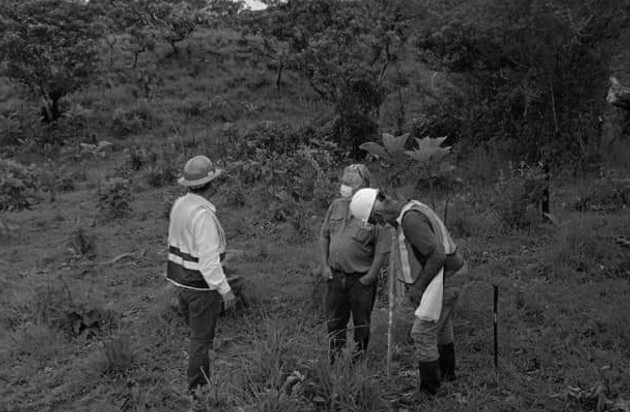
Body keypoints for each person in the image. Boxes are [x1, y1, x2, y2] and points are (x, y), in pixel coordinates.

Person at [350, 188, 468, 395]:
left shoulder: (410, 220)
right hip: (446, 273)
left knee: (422, 332)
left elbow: (437, 256)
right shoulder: (410, 209)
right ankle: (447, 376)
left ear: (376, 213)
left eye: (375, 221)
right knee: (440, 325)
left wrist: (418, 288)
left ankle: (429, 391)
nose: (379, 225)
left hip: (446, 276)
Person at [166, 155, 236, 395]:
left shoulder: (180, 205)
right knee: (201, 341)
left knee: (197, 336)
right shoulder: (203, 215)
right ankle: (199, 389)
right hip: (201, 288)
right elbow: (209, 262)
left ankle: (199, 381)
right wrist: (226, 290)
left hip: (182, 283)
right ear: (212, 184)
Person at [319, 164, 391, 363]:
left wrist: (370, 277)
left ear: (364, 188)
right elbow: (324, 235)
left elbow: (382, 249)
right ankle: (335, 359)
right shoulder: (336, 205)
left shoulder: (375, 211)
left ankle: (358, 362)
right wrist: (324, 266)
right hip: (335, 277)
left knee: (362, 324)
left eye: (351, 184)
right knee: (334, 322)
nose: (346, 187)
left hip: (361, 280)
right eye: (344, 182)